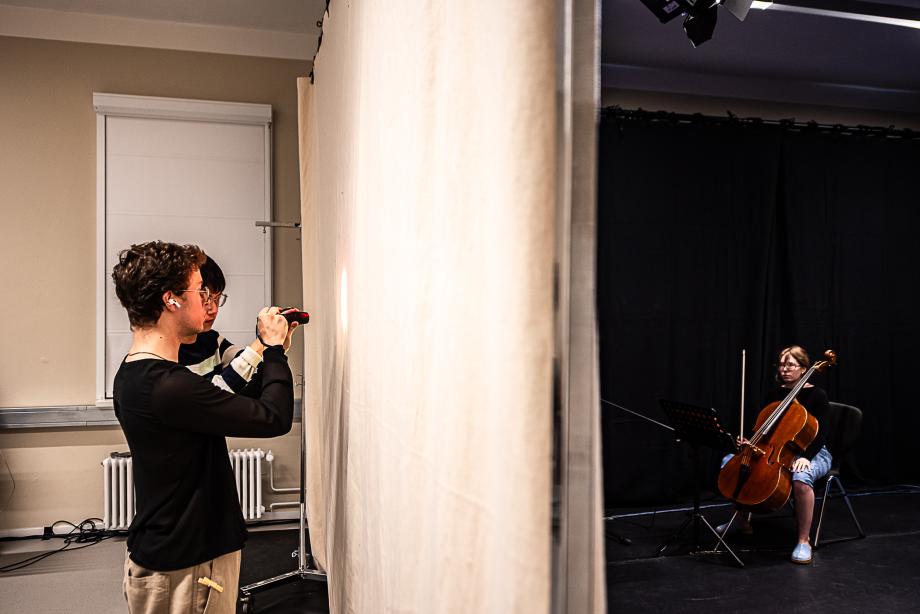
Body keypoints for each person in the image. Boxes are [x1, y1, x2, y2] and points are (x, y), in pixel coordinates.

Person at [111, 241, 295, 614]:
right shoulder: (170, 387)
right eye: (199, 291)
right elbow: (274, 417)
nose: (208, 302)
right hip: (188, 567)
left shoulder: (137, 374)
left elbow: (235, 393)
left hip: (175, 557)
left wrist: (272, 351)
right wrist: (272, 350)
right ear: (171, 300)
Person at [718, 345, 832, 565]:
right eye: (781, 364)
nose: (784, 369)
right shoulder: (775, 393)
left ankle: (803, 540)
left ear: (803, 368)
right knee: (730, 463)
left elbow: (821, 434)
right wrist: (750, 442)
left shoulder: (818, 395)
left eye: (790, 364)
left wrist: (806, 457)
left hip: (813, 451)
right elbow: (765, 429)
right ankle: (741, 520)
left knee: (801, 478)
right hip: (777, 449)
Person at [178, 255, 297, 393]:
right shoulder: (165, 356)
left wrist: (275, 348)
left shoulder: (213, 341)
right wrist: (263, 342)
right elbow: (210, 398)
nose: (213, 309)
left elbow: (250, 372)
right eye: (205, 297)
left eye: (217, 299)